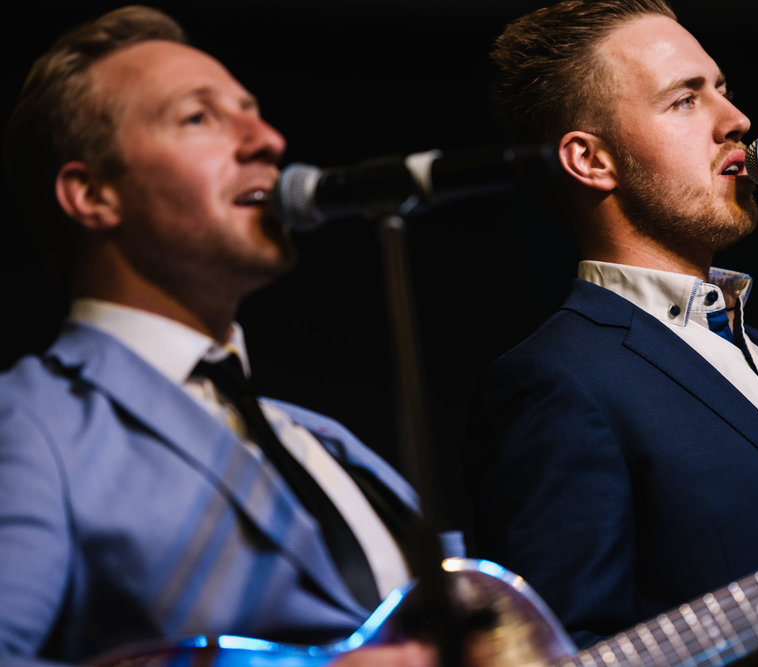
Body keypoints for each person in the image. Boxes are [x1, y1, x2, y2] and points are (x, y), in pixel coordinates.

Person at [0, 6, 451, 666]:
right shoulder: (31, 421)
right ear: (93, 194)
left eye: (252, 111)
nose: (267, 139)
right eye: (198, 117)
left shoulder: (323, 442)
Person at [464, 1, 758, 664]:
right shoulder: (555, 381)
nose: (737, 120)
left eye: (721, 88)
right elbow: (558, 653)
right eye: (685, 100)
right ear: (592, 160)